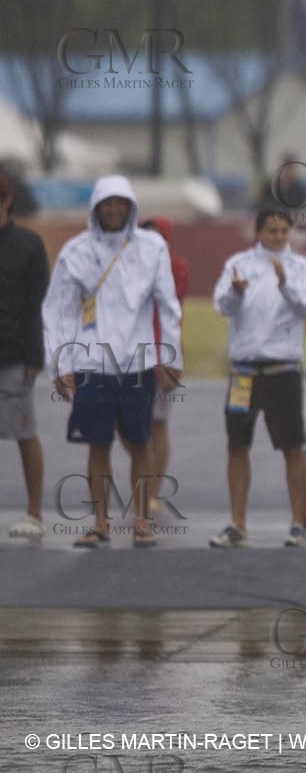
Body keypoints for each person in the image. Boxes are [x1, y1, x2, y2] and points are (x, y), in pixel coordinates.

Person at [41, 175, 183, 549]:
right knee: (97, 445)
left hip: (138, 363)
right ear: (97, 208)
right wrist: (60, 364)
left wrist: (172, 356)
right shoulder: (76, 252)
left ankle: (141, 521)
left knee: (140, 442)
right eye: (108, 203)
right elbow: (57, 309)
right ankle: (100, 522)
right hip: (92, 364)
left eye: (121, 203)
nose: (114, 209)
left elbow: (168, 305)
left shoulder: (152, 247)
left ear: (131, 207)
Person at [206, 208, 306, 548]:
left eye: (284, 230)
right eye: (272, 231)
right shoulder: (238, 264)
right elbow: (222, 306)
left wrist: (285, 284)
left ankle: (298, 524)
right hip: (243, 371)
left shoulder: (303, 267)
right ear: (258, 232)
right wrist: (236, 292)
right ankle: (237, 523)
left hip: (282, 369)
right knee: (237, 445)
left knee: (292, 447)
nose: (279, 237)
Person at [122, 216, 188, 520]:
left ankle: (151, 492)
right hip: (131, 354)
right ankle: (145, 482)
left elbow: (170, 311)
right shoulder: (130, 266)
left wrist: (170, 360)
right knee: (129, 425)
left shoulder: (176, 268)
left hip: (162, 353)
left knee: (157, 424)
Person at [0, 171, 49, 540]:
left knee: (24, 433)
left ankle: (34, 514)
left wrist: (35, 355)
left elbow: (37, 303)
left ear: (7, 201)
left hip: (15, 356)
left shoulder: (29, 245)